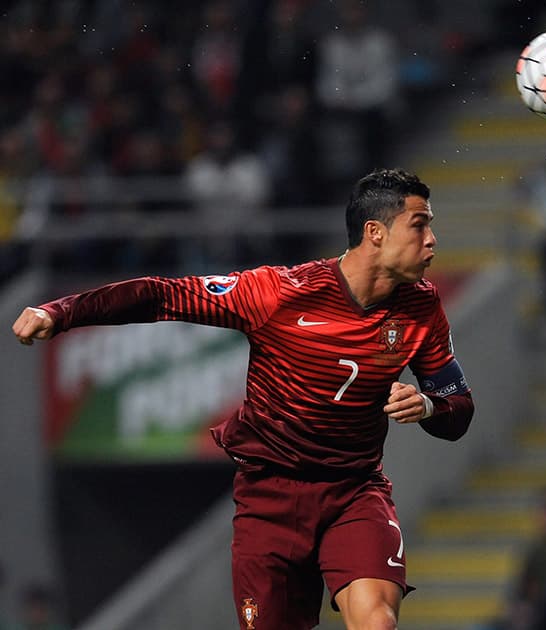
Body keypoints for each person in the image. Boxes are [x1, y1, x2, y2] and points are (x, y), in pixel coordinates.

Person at [12, 168, 475, 630]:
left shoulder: (422, 307)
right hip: (270, 499)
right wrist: (61, 310)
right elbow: (162, 296)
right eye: (420, 224)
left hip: (354, 492)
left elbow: (459, 410)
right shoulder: (279, 293)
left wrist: (430, 406)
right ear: (375, 232)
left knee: (377, 621)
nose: (432, 239)